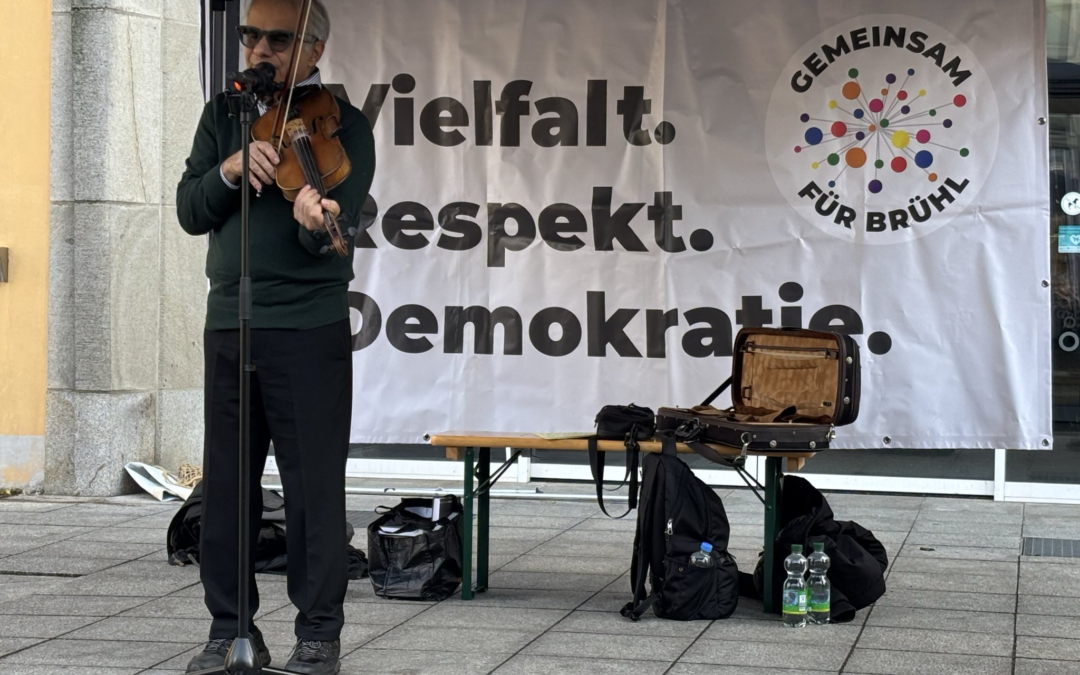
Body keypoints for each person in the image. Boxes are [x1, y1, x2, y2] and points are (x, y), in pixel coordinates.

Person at [176, 0, 374, 672]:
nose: (261, 49)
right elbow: (189, 208)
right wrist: (230, 170)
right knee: (228, 485)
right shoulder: (221, 117)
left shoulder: (344, 127)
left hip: (307, 328)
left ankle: (318, 633)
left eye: (279, 40)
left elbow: (332, 245)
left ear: (313, 50)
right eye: (251, 35)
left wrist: (312, 221)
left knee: (313, 486)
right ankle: (229, 629)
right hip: (229, 320)